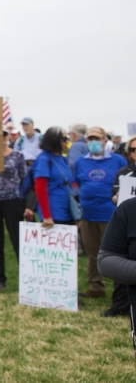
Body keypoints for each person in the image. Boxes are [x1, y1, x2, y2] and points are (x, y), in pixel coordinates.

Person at [74, 126, 127, 299]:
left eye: (97, 139)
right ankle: (96, 286)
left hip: (110, 213)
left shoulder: (118, 160)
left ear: (105, 141)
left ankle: (122, 289)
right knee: (92, 251)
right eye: (91, 139)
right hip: (87, 213)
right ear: (86, 141)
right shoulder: (81, 161)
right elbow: (77, 183)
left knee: (116, 252)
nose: (94, 142)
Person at [0, 130, 27, 291]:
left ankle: (27, 278)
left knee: (17, 239)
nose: (1, 139)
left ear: (8, 137)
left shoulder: (17, 155)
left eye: (4, 135)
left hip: (12, 200)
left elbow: (23, 176)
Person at [104, 134, 136, 317]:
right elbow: (114, 195)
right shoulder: (124, 173)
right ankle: (119, 305)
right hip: (127, 224)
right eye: (133, 149)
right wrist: (116, 197)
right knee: (122, 264)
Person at [31, 126, 76, 227]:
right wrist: (46, 215)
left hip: (67, 209)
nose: (67, 142)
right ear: (54, 140)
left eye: (68, 139)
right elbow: (40, 187)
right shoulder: (43, 159)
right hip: (53, 212)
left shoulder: (63, 159)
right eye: (64, 139)